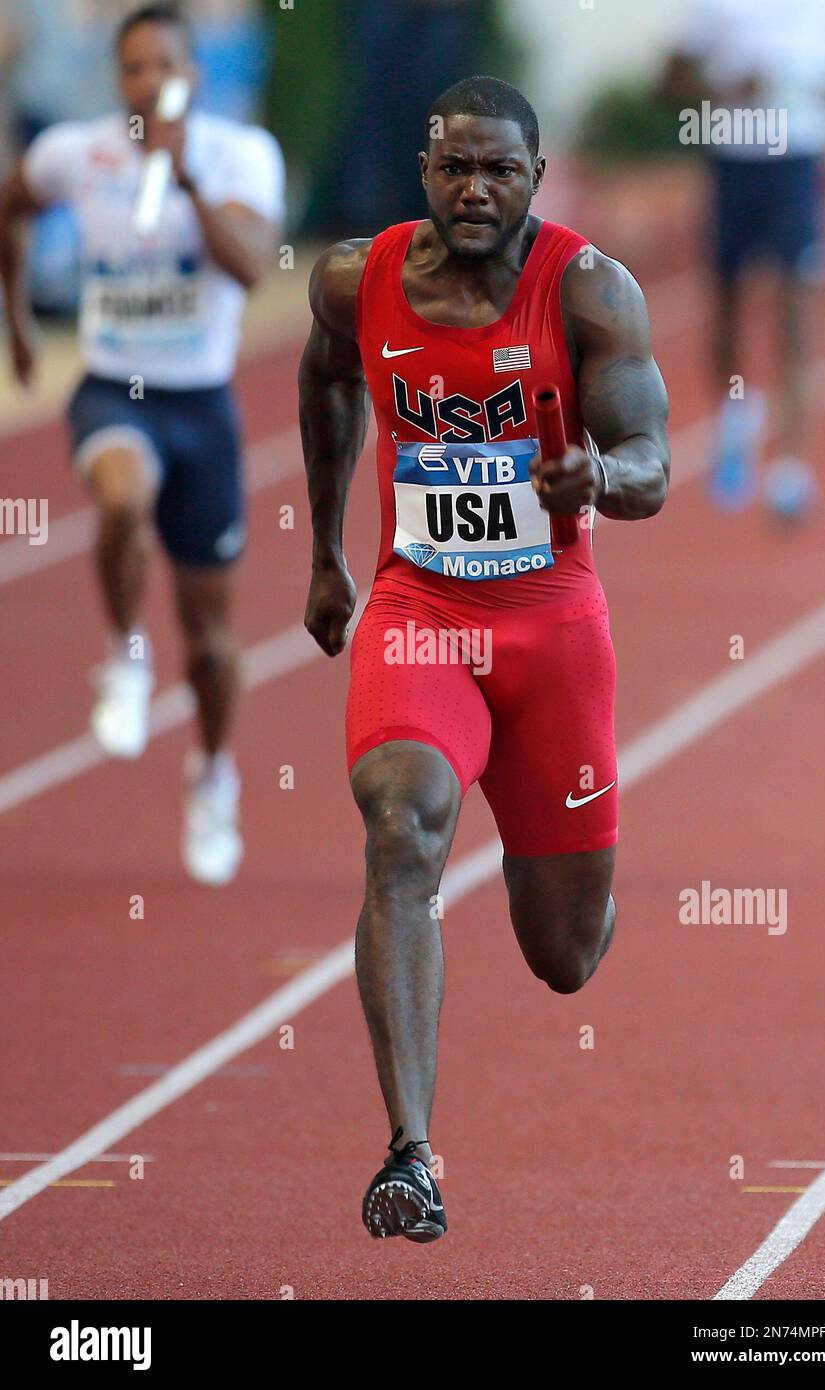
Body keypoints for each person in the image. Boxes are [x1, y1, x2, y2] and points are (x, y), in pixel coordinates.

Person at [299, 76, 670, 1241]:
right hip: (418, 609)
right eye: (455, 165)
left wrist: (599, 478)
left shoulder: (593, 292)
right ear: (425, 168)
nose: (474, 188)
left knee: (564, 954)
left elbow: (652, 451)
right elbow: (325, 382)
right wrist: (323, 553)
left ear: (535, 179)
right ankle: (411, 1151)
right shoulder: (357, 280)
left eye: (498, 170)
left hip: (551, 625)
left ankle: (565, 849)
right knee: (402, 827)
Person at [0, 4, 285, 884]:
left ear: (193, 75)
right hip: (111, 389)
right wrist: (16, 320)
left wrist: (185, 179)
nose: (148, 80)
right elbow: (10, 203)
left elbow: (249, 262)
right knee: (120, 500)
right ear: (115, 79)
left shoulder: (240, 156)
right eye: (132, 66)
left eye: (165, 63)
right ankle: (124, 655)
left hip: (203, 408)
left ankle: (214, 772)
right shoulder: (76, 155)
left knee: (209, 638)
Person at [662, 0, 825, 519]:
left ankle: (791, 467)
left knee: (797, 308)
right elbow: (668, 84)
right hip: (734, 160)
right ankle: (737, 418)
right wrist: (726, 91)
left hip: (801, 163)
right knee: (729, 306)